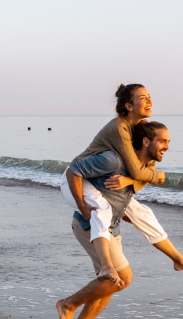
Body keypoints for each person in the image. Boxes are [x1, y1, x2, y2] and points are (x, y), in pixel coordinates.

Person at [56, 121, 183, 319]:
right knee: (122, 277)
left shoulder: (146, 169)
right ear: (146, 141)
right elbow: (74, 172)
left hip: (112, 227)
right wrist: (82, 205)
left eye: (168, 142)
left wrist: (129, 184)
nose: (167, 146)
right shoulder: (113, 161)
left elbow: (134, 196)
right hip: (89, 226)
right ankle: (67, 305)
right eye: (162, 141)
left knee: (109, 281)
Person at [60, 84, 165, 245]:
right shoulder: (119, 128)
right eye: (143, 98)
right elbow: (139, 172)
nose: (149, 101)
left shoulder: (141, 126)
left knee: (141, 212)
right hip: (76, 176)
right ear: (129, 106)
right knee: (102, 210)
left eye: (149, 96)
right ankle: (104, 264)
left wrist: (130, 181)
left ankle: (177, 259)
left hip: (95, 175)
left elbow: (147, 168)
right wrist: (157, 177)